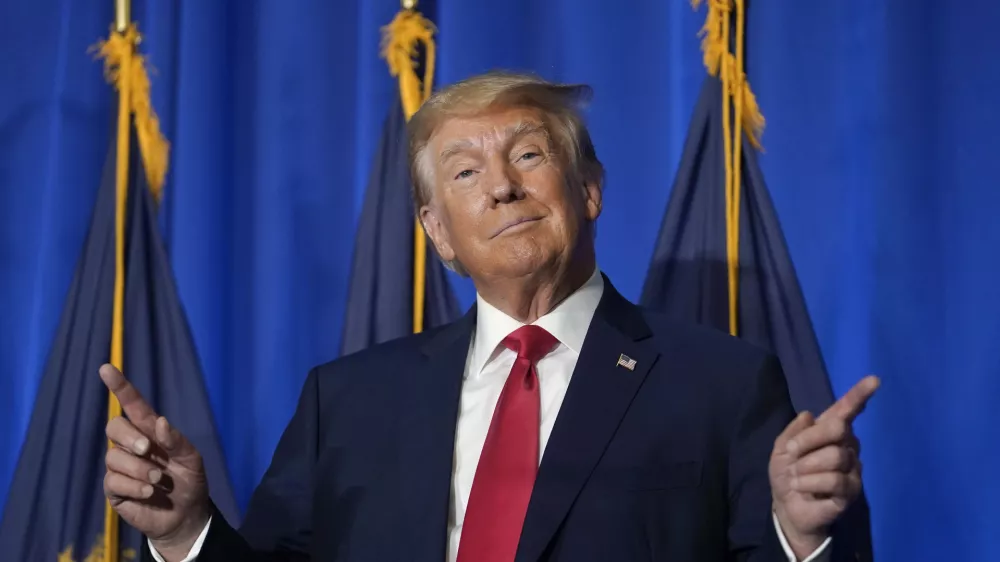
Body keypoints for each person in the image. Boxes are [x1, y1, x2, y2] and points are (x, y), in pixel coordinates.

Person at [102, 71, 878, 562]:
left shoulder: (722, 384)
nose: (501, 187)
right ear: (438, 232)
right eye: (465, 172)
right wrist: (186, 532)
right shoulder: (346, 402)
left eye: (528, 156)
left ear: (589, 191)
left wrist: (800, 537)